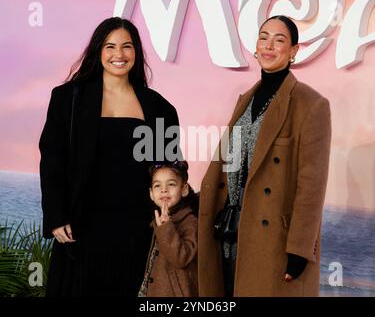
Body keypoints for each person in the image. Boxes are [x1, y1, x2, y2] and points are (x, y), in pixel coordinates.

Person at [39, 17, 181, 296]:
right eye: (110, 46)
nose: (119, 55)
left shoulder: (160, 107)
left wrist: (167, 218)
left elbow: (168, 168)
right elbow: (52, 159)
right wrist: (56, 215)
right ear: (98, 51)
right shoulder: (68, 98)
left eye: (127, 47)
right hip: (80, 226)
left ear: (136, 52)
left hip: (137, 228)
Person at [198, 15, 331, 297]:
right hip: (229, 238)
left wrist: (299, 251)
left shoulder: (311, 104)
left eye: (279, 40)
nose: (269, 45)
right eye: (263, 37)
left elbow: (312, 185)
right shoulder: (245, 99)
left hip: (272, 243)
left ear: (294, 50)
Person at [138, 160, 199, 297]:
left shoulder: (190, 221)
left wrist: (166, 228)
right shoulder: (160, 221)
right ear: (151, 194)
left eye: (171, 184)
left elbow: (182, 258)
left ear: (184, 190)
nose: (164, 189)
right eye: (157, 185)